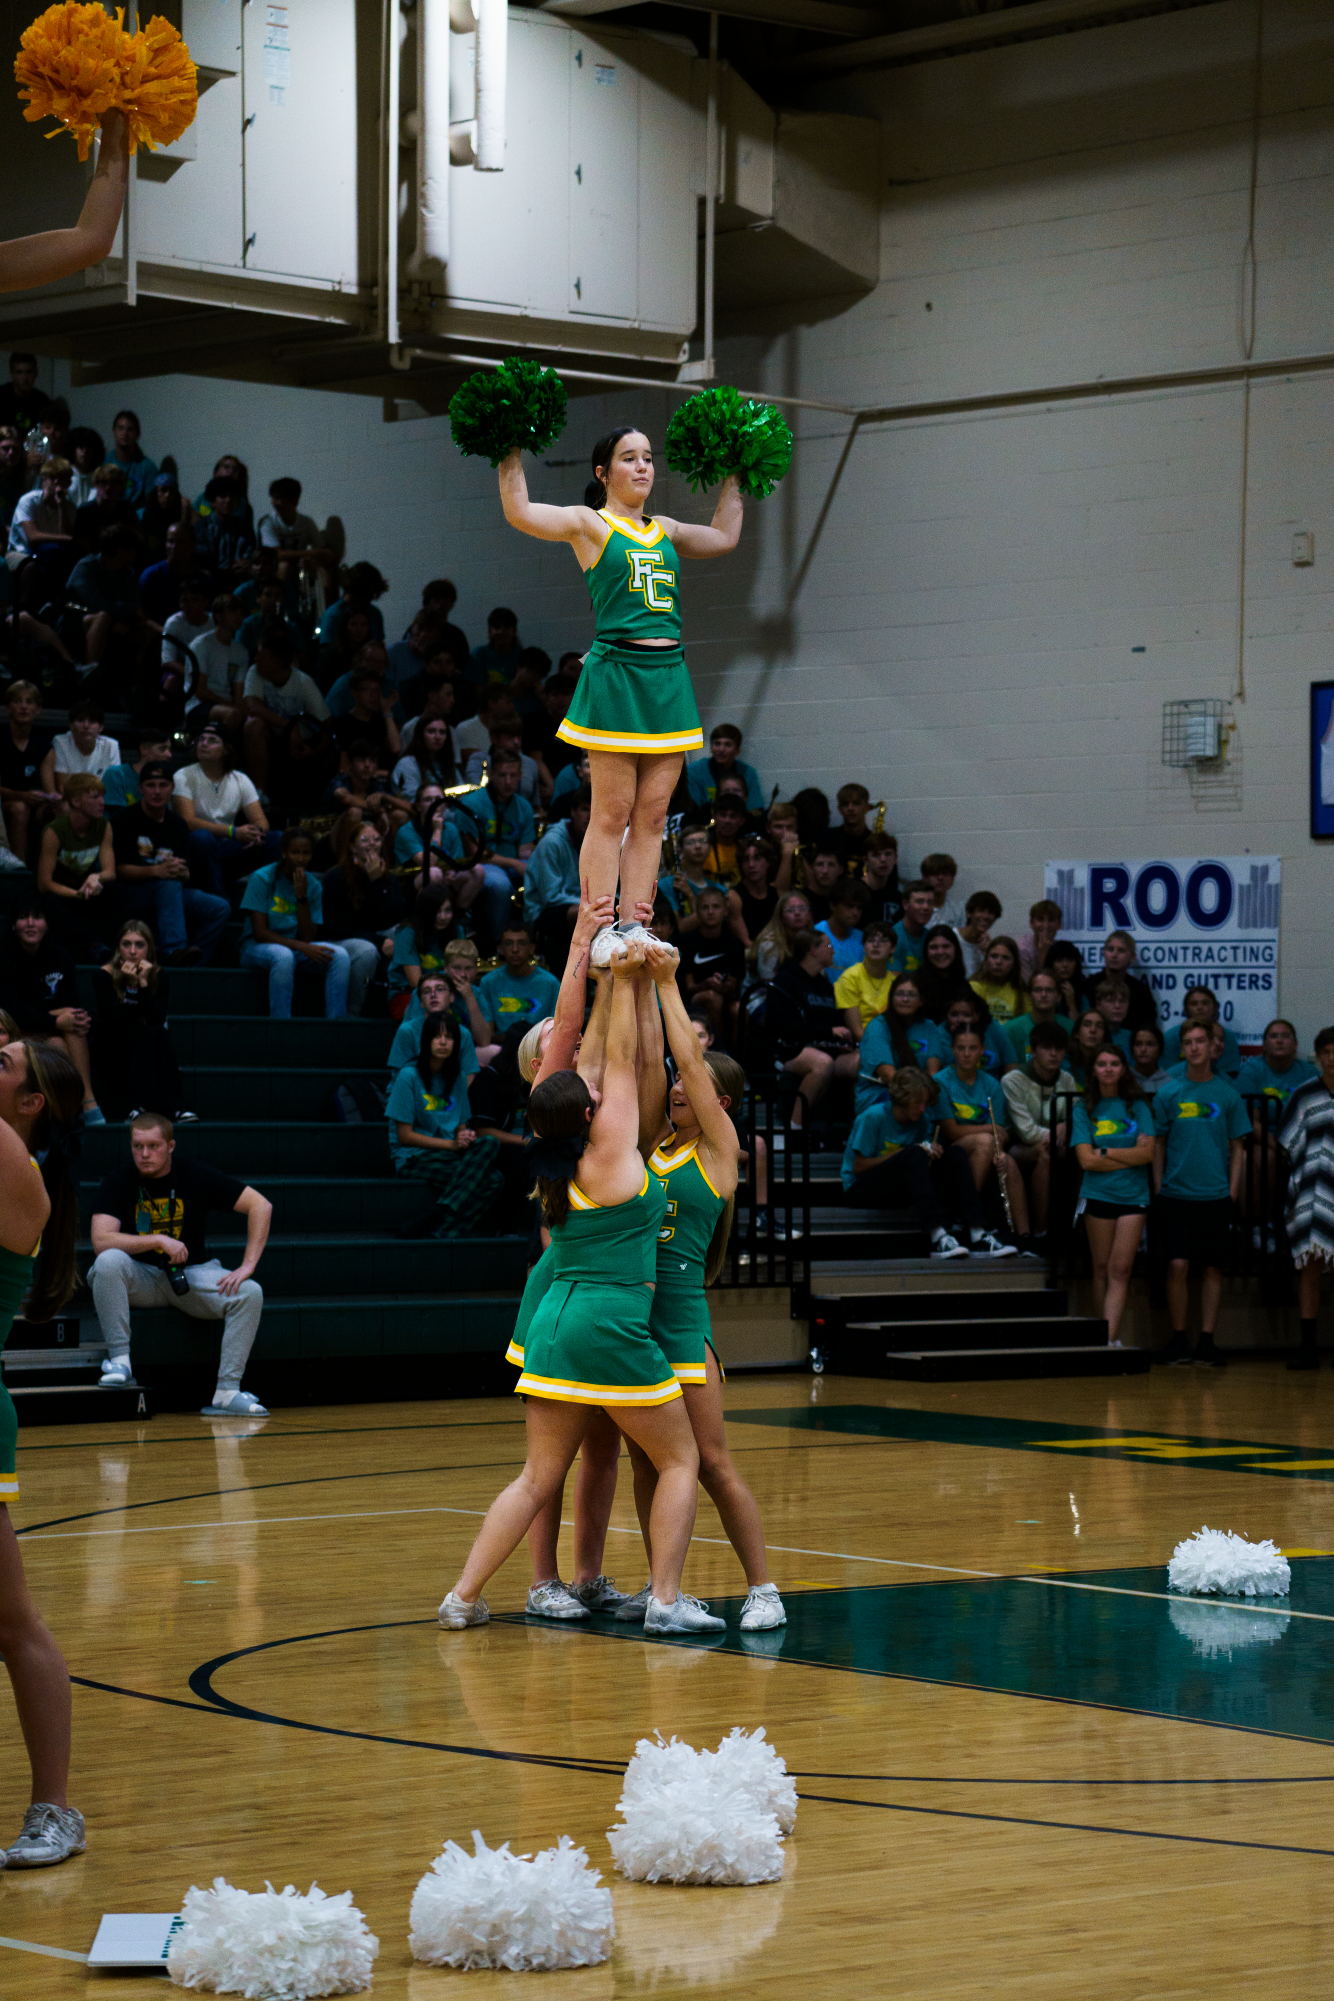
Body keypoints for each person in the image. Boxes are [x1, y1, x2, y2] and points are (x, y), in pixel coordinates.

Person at [440, 941, 719, 1636]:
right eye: (591, 1093)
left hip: (555, 1326)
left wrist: (597, 970)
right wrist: (622, 981)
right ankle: (666, 1600)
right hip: (610, 1321)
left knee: (536, 1477)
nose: (599, 1087)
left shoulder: (551, 1164)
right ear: (589, 1112)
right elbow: (621, 1059)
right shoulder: (614, 1153)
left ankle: (464, 1595)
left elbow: (591, 1070)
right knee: (680, 1457)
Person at [498, 427, 743, 940]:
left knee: (653, 815)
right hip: (617, 676)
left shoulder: (667, 529)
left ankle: (634, 924)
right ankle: (598, 926)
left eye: (649, 458)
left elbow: (724, 538)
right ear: (602, 473)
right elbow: (519, 512)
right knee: (611, 812)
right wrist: (509, 447)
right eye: (629, 458)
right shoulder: (590, 524)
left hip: (669, 679)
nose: (643, 467)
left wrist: (735, 474)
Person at [627, 943, 786, 1627]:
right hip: (635, 1324)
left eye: (689, 1082)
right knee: (648, 1464)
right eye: (676, 1082)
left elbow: (684, 1060)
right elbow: (649, 1065)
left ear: (721, 1102)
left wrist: (667, 984)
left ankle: (763, 1589)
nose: (677, 1086)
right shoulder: (655, 1144)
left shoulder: (720, 1151)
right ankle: (663, 1585)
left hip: (683, 1324)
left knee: (712, 1463)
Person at [0, 1037, 90, 1866]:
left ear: (30, 1103)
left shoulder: (18, 1172)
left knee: (13, 1619)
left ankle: (55, 1808)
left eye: (3, 1062)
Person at [90, 1111, 271, 1414]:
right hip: (141, 1278)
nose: (144, 1154)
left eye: (153, 1146)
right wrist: (157, 1240)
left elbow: (260, 1205)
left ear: (171, 1146)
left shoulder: (194, 1174)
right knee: (107, 1261)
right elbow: (101, 1239)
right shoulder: (119, 1181)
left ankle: (227, 1391)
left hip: (191, 1276)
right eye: (137, 1146)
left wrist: (248, 1264)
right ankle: (120, 1363)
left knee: (250, 1292)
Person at [1152, 1020, 1248, 1366]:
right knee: (1177, 1265)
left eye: (1200, 1041)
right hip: (1176, 1195)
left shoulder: (1228, 1095)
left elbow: (1238, 1148)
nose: (1194, 1047)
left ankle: (1207, 1339)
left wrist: (1232, 1192)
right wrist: (1159, 1187)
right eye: (1188, 1042)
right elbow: (1158, 1144)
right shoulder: (1167, 1093)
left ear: (1212, 1047)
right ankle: (1178, 1339)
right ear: (1182, 1049)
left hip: (1215, 1196)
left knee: (1212, 1269)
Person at [386, 1013, 503, 1238]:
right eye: (436, 1036)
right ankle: (445, 1227)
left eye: (449, 1037)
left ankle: (441, 1219)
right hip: (414, 1157)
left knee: (489, 1142)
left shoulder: (458, 1077)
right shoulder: (408, 1076)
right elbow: (404, 1136)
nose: (442, 1041)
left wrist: (464, 1136)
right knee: (492, 1181)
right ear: (426, 1041)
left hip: (449, 1154)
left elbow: (460, 1124)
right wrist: (452, 1145)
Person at [842, 1066, 975, 1261]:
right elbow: (858, 1167)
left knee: (954, 1153)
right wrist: (905, 1153)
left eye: (925, 1103)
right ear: (903, 1098)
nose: (922, 1109)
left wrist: (932, 1153)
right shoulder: (874, 1116)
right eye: (917, 1103)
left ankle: (977, 1231)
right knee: (913, 1152)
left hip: (897, 1189)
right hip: (859, 1190)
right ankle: (938, 1235)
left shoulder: (922, 1121)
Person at [240, 828, 374, 1019]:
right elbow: (260, 932)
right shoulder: (262, 878)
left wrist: (301, 897)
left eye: (306, 853)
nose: (300, 858)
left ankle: (337, 1024)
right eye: (295, 852)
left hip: (295, 946)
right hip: (256, 947)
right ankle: (281, 1024)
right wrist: (302, 947)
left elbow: (308, 937)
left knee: (340, 956)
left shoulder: (313, 885)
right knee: (283, 956)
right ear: (284, 853)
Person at [1073, 1045, 1154, 1347]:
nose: (1108, 1069)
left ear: (1123, 1068)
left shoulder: (1139, 1106)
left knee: (1121, 1269)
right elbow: (1086, 1160)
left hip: (1133, 1195)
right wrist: (1128, 1154)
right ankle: (1103, 1335)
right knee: (1101, 1268)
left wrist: (1106, 1151)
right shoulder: (1084, 1108)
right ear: (1093, 1070)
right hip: (1098, 1193)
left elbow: (1147, 1154)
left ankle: (1108, 1341)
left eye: (1114, 1063)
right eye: (1102, 1064)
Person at [111, 761, 228, 967]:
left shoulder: (178, 824)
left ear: (172, 789)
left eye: (163, 785)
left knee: (219, 907)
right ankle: (174, 950)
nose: (157, 791)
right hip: (133, 894)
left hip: (168, 892)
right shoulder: (123, 820)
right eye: (150, 785)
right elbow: (119, 871)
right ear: (140, 789)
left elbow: (187, 874)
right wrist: (157, 871)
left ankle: (193, 967)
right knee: (168, 882)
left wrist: (182, 872)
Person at [0, 899, 102, 1122]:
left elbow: (70, 1003)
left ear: (46, 924)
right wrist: (55, 1020)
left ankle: (86, 1101)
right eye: (23, 918)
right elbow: (11, 1011)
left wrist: (72, 1017)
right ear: (13, 925)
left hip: (43, 1028)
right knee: (59, 1040)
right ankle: (66, 1110)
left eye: (37, 917)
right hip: (11, 1032)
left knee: (73, 1024)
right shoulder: (3, 957)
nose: (30, 924)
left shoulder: (60, 957)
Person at [933, 1023, 1024, 1253]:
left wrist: (999, 1146)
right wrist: (989, 1130)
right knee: (985, 1141)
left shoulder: (991, 1084)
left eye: (972, 1048)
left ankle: (1024, 1237)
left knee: (1009, 1163)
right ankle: (969, 1218)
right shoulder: (941, 1081)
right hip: (947, 1153)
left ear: (982, 1050)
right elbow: (951, 1130)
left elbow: (1001, 1132)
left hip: (982, 1151)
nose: (966, 1053)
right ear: (952, 1050)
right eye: (961, 1048)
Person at [90, 920, 189, 1123]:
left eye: (139, 945)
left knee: (157, 1033)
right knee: (148, 1034)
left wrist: (142, 983)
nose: (133, 951)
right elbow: (117, 1022)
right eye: (127, 944)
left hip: (146, 1040)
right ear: (118, 948)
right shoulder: (103, 975)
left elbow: (156, 1019)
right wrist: (132, 988)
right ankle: (136, 1107)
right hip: (113, 1045)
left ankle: (176, 1108)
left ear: (149, 948)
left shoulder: (159, 975)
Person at [1278, 1028, 1334, 1370]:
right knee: (1310, 1268)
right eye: (1325, 1052)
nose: (1332, 1058)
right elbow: (1287, 1142)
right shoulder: (1305, 1095)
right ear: (1317, 1056)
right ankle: (1308, 1345)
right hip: (1314, 1190)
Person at [173, 722, 279, 896]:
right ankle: (218, 900)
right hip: (196, 849)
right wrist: (233, 831)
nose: (204, 744)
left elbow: (261, 821)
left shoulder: (240, 779)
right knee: (203, 838)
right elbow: (188, 822)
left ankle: (263, 898)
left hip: (227, 848)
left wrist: (256, 832)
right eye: (201, 739)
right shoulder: (183, 776)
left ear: (226, 750)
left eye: (212, 740)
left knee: (277, 839)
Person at [773, 928, 859, 1130]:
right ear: (813, 950)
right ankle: (794, 1126)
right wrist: (828, 1033)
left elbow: (834, 1025)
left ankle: (854, 1129)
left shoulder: (825, 986)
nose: (833, 951)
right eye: (828, 946)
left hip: (827, 1047)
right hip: (791, 1048)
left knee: (862, 1062)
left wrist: (839, 1043)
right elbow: (785, 1027)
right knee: (822, 1063)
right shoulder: (786, 980)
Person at [320, 821, 407, 1013]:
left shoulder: (388, 878)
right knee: (367, 951)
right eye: (365, 839)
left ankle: (399, 1002)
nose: (372, 844)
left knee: (405, 936)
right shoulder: (336, 877)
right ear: (352, 846)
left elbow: (395, 915)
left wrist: (377, 882)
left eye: (376, 839)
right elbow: (337, 926)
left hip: (374, 933)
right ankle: (353, 1012)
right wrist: (377, 940)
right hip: (340, 938)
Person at [1002, 1022, 1078, 1239]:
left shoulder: (1067, 1079)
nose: (1053, 1054)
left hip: (1058, 1148)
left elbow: (1076, 1117)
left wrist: (1065, 1125)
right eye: (1046, 1048)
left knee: (1080, 1155)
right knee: (1045, 1154)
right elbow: (1026, 1132)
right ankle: (1041, 1231)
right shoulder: (1013, 1080)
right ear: (1033, 1051)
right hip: (1019, 1148)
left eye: (1059, 1049)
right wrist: (1057, 1132)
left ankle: (1080, 1225)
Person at [452, 749, 536, 942]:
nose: (508, 781)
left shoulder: (523, 806)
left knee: (540, 879)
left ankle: (532, 941)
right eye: (502, 775)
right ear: (490, 774)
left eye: (513, 775)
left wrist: (534, 867)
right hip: (481, 865)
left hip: (512, 862)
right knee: (500, 886)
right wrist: (515, 864)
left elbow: (525, 849)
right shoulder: (472, 803)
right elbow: (475, 852)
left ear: (520, 776)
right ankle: (500, 944)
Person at [35, 772, 116, 957]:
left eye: (102, 796)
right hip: (61, 893)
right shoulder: (54, 831)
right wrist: (76, 894)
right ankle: (92, 947)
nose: (102, 802)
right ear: (76, 801)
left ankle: (125, 944)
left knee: (115, 890)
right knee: (50, 902)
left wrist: (96, 877)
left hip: (85, 889)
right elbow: (44, 883)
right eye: (95, 797)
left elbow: (110, 872)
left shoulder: (104, 826)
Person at [855, 973, 941, 1115]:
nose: (905, 999)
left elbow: (933, 1073)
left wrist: (924, 1095)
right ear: (891, 998)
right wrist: (917, 1097)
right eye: (899, 994)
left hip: (922, 1093)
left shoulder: (929, 1027)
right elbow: (889, 1075)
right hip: (882, 1093)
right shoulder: (878, 1026)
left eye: (911, 995)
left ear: (921, 1000)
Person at [523, 788, 592, 965]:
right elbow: (551, 896)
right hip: (545, 911)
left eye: (595, 810)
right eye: (585, 809)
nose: (590, 815)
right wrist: (590, 905)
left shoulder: (596, 841)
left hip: (580, 903)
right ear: (573, 811)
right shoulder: (552, 843)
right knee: (584, 914)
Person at [676, 885, 744, 1046]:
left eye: (716, 907)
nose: (711, 912)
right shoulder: (684, 942)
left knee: (740, 1009)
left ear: (726, 911)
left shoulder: (735, 944)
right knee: (713, 998)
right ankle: (717, 1052)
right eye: (705, 907)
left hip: (725, 998)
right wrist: (706, 984)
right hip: (694, 999)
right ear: (697, 911)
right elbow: (688, 988)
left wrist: (725, 986)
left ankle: (739, 1062)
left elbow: (735, 989)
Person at [0, 678, 58, 863]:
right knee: (19, 809)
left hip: (31, 803)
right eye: (17, 701)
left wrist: (53, 798)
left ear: (38, 709)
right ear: (7, 708)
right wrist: (23, 796)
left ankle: (57, 872)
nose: (23, 707)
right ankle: (19, 870)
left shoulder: (44, 746)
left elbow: (50, 789)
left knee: (60, 809)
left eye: (29, 702)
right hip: (5, 804)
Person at [388, 885, 462, 1022]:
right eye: (437, 911)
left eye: (448, 911)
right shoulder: (407, 932)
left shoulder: (457, 931)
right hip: (408, 994)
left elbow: (460, 973)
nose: (443, 917)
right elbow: (416, 982)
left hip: (448, 992)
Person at [477, 922, 561, 1040]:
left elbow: (556, 1030)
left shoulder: (551, 983)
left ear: (531, 948)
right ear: (500, 949)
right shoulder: (488, 982)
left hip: (538, 1046)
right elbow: (487, 1035)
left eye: (521, 943)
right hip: (501, 1048)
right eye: (508, 943)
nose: (515, 949)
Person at [6, 455, 74, 567]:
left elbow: (65, 536)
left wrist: (61, 506)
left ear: (68, 482)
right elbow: (32, 537)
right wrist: (67, 539)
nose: (56, 482)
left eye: (61, 478)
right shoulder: (29, 501)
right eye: (52, 477)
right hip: (21, 551)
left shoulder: (69, 507)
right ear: (44, 479)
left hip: (51, 551)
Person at [834, 921, 896, 1039]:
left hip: (890, 1039)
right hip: (863, 1043)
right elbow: (858, 1032)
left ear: (893, 948)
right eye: (870, 940)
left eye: (883, 940)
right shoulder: (849, 978)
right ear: (863, 947)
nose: (876, 944)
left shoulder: (895, 982)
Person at [1162, 986, 1242, 1076]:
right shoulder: (1170, 1037)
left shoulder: (1227, 1036)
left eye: (1205, 1003)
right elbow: (1167, 1073)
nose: (1200, 1007)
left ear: (1215, 1008)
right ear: (1186, 1009)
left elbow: (1231, 1073)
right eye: (1194, 1004)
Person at [685, 724, 764, 814]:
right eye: (717, 744)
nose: (721, 749)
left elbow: (754, 810)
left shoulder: (747, 772)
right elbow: (692, 811)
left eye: (728, 745)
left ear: (737, 750)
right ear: (711, 748)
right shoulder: (694, 771)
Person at [1092, 930, 1157, 1033]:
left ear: (1132, 956)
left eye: (1121, 950)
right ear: (1104, 953)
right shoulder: (1089, 985)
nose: (1114, 955)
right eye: (1110, 949)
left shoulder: (1141, 992)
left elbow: (1147, 1028)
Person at [1005, 968, 1073, 1065]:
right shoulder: (1011, 1029)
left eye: (1049, 990)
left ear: (1059, 997)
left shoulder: (1070, 1028)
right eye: (1037, 990)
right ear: (1029, 996)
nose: (1043, 995)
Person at [746, 889, 813, 986]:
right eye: (790, 910)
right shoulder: (768, 944)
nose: (797, 913)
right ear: (781, 917)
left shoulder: (814, 939)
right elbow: (768, 983)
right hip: (761, 993)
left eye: (802, 909)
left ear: (809, 915)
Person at [725, 833, 779, 949]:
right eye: (745, 860)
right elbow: (746, 942)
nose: (751, 865)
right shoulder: (734, 897)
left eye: (757, 858)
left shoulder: (776, 892)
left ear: (768, 862)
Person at [916, 924, 972, 1022]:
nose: (940, 952)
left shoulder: (964, 986)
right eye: (934, 947)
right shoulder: (915, 984)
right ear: (926, 951)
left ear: (956, 949)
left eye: (946, 946)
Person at [815, 877, 868, 980]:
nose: (855, 913)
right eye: (849, 906)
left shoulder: (861, 938)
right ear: (832, 905)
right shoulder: (816, 933)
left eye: (859, 907)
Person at [52, 700, 119, 781]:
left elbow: (114, 784)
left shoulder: (111, 745)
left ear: (101, 727)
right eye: (80, 720)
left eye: (92, 721)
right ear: (71, 725)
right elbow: (62, 786)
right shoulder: (60, 742)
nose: (86, 726)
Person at [969, 934, 1026, 1024]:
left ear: (1014, 963)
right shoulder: (974, 986)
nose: (998, 962)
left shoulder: (1022, 990)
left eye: (1005, 958)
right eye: (994, 956)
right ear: (986, 959)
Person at [108, 410, 158, 506]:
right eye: (121, 428)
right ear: (113, 431)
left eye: (130, 429)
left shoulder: (147, 467)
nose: (125, 433)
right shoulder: (103, 462)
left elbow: (151, 503)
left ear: (137, 434)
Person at [890, 879, 938, 975]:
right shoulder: (892, 937)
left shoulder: (931, 937)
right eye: (919, 901)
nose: (926, 907)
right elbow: (895, 983)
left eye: (930, 902)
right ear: (905, 904)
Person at [469, 606, 522, 689]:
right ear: (489, 631)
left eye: (507, 627)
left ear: (514, 631)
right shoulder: (479, 655)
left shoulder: (523, 657)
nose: (501, 632)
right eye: (497, 627)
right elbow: (478, 692)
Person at [951, 890, 1001, 978]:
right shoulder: (951, 937)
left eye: (990, 912)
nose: (985, 916)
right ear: (969, 913)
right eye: (981, 910)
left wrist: (988, 955)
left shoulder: (989, 946)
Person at [860, 832, 903, 930]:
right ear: (865, 860)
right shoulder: (854, 892)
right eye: (876, 855)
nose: (883, 859)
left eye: (888, 854)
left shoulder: (896, 897)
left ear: (895, 859)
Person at [1015, 899, 1063, 984]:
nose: (1046, 925)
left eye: (1051, 920)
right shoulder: (1021, 949)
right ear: (1031, 923)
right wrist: (1043, 955)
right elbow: (1031, 987)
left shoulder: (1060, 948)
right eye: (1040, 919)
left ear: (1059, 924)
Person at [1091, 974, 1135, 1054]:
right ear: (1098, 1005)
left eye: (1122, 1001)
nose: (1117, 1006)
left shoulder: (1132, 1037)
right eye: (1111, 1001)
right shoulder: (1091, 1034)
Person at [920, 852, 965, 928]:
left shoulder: (959, 910)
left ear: (952, 879)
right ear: (925, 878)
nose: (940, 878)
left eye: (945, 873)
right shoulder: (917, 908)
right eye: (935, 873)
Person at [1067, 1007, 1110, 1083]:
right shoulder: (1064, 1064)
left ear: (1104, 1036)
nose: (1093, 1030)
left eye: (1099, 1026)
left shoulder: (1111, 1066)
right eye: (1087, 1025)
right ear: (1077, 1033)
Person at [1130, 1021, 1169, 1095]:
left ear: (1160, 1049)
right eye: (1138, 1044)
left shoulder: (1168, 1083)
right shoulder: (1122, 1079)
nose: (1143, 1049)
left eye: (1150, 1044)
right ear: (1132, 1049)